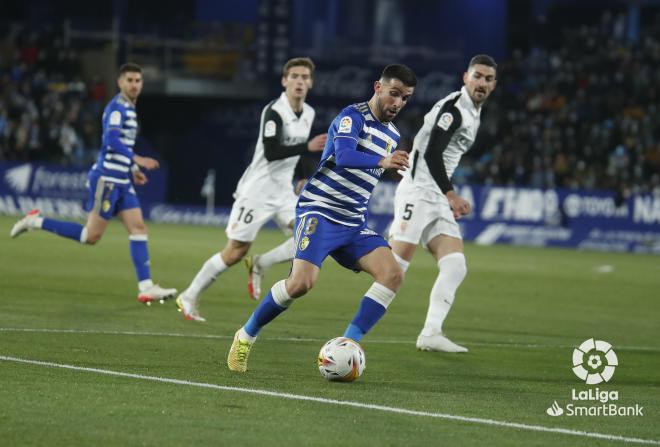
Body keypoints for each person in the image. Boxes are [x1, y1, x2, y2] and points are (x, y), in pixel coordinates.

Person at [227, 64, 417, 373]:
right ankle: (246, 335)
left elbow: (366, 176)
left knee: (393, 274)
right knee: (301, 284)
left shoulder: (392, 135)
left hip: (354, 224)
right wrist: (383, 161)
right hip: (320, 212)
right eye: (394, 94)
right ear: (378, 87)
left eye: (405, 98)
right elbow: (343, 156)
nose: (397, 103)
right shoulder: (351, 117)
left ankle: (349, 342)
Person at [9, 63, 177, 303]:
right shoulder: (118, 108)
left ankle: (146, 287)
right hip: (107, 179)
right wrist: (137, 158)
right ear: (120, 82)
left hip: (122, 180)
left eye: (138, 80)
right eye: (129, 80)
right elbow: (111, 140)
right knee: (90, 236)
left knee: (138, 228)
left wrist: (133, 169)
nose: (134, 84)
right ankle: (35, 221)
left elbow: (124, 145)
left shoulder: (130, 109)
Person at [176, 57, 327, 321]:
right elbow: (271, 152)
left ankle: (262, 263)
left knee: (309, 237)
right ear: (284, 81)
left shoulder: (309, 113)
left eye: (305, 77)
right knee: (235, 251)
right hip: (257, 190)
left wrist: (302, 176)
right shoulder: (274, 111)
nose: (299, 81)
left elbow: (300, 151)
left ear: (311, 82)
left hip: (283, 191)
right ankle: (188, 296)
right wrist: (307, 147)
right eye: (294, 76)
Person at [389, 54, 497, 353]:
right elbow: (431, 153)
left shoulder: (474, 112)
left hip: (436, 194)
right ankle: (351, 336)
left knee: (455, 266)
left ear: (494, 84)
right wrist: (451, 194)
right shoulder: (455, 109)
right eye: (477, 76)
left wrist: (445, 194)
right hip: (421, 192)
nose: (482, 83)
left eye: (488, 79)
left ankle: (431, 333)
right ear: (466, 77)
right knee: (393, 271)